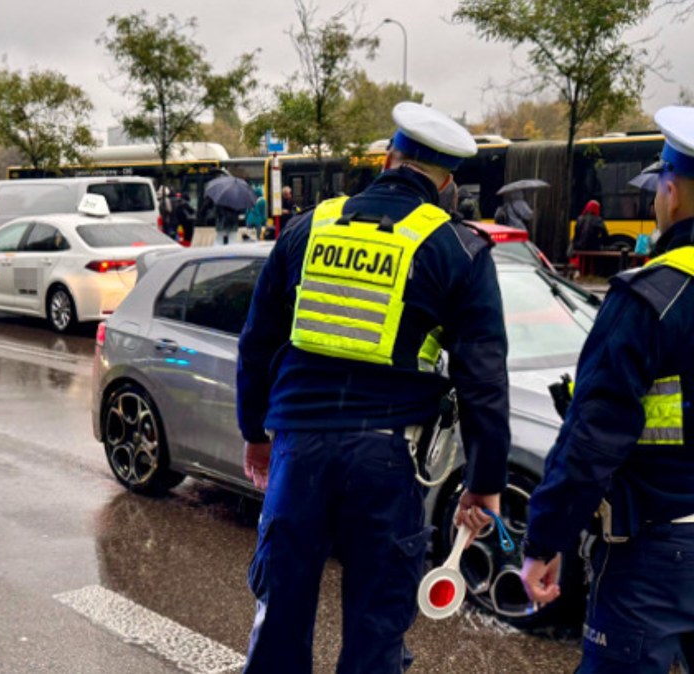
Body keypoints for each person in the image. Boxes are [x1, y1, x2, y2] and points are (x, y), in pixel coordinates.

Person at [237, 102, 510, 673]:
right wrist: (484, 483)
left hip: (297, 446)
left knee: (281, 612)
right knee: (375, 629)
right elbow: (483, 379)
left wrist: (254, 433)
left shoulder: (307, 227)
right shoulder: (458, 248)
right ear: (447, 183)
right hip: (388, 457)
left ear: (388, 159)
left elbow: (258, 341)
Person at [521, 106, 694, 674]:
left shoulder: (652, 297)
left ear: (670, 190)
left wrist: (545, 540)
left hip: (658, 547)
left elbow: (593, 439)